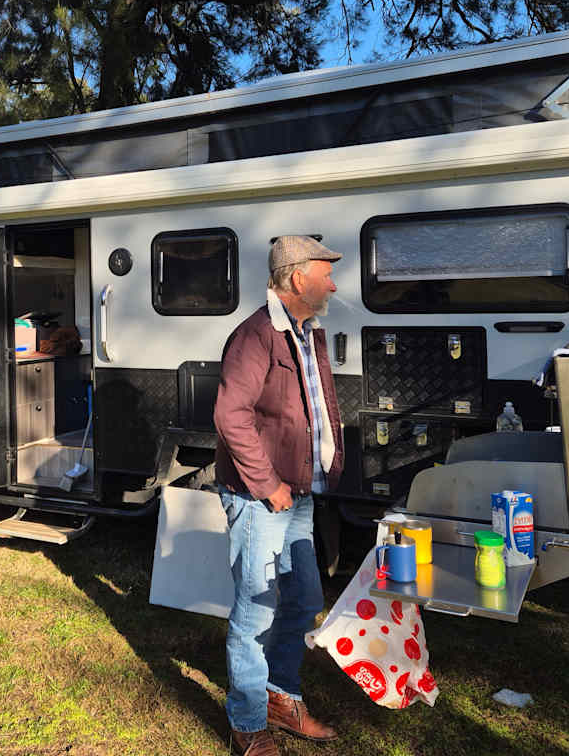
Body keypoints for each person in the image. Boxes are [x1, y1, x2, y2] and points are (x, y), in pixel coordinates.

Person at [213, 234, 346, 755]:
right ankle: (246, 725)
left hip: (299, 494)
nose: (332, 282)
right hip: (260, 498)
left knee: (304, 600)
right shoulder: (256, 335)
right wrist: (267, 484)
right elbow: (231, 416)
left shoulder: (306, 332)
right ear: (297, 279)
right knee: (257, 611)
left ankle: (279, 696)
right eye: (325, 272)